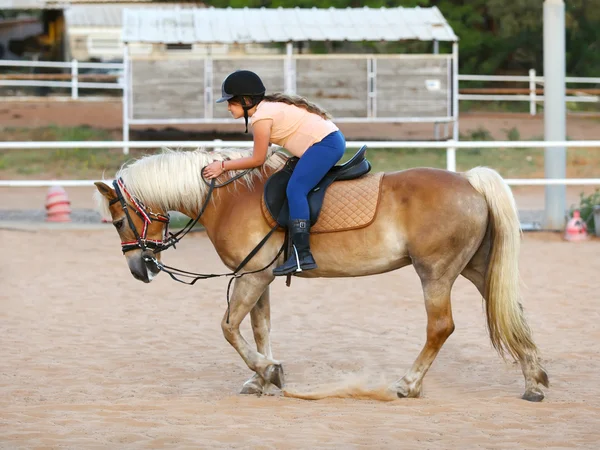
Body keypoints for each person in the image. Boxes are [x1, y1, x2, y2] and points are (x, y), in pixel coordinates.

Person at [203, 70, 346, 276]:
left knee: (296, 189)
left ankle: (302, 255)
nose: (228, 107)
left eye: (231, 102)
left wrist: (222, 166)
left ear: (245, 100)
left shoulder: (261, 117)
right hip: (327, 142)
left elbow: (258, 160)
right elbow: (261, 152)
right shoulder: (265, 110)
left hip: (326, 145)